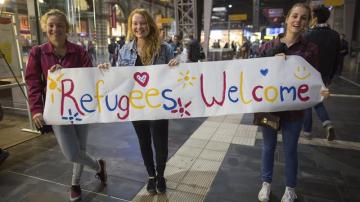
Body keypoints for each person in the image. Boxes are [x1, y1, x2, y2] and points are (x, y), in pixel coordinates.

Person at [25, 9, 107, 202]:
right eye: (51, 25)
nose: (55, 29)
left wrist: (100, 71)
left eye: (60, 25)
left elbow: (89, 75)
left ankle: (75, 184)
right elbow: (33, 83)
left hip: (80, 107)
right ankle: (98, 166)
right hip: (57, 110)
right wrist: (36, 109)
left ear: (66, 28)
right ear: (45, 27)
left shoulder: (78, 51)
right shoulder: (38, 53)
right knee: (72, 154)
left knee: (81, 148)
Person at [98, 8, 178, 194]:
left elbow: (175, 77)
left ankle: (160, 175)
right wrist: (106, 69)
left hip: (158, 103)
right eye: (135, 23)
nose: (139, 27)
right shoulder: (125, 49)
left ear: (149, 24)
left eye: (142, 23)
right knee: (143, 141)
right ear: (130, 26)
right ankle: (151, 176)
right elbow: (119, 76)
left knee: (160, 144)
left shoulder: (164, 48)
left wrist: (176, 64)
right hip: (136, 105)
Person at [254, 3, 329, 202]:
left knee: (290, 150)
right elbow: (254, 72)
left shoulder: (311, 49)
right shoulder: (268, 46)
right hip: (269, 108)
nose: (298, 20)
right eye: (295, 16)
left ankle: (290, 188)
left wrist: (320, 90)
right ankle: (266, 184)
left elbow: (314, 78)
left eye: (303, 18)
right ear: (287, 18)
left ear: (307, 22)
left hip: (294, 111)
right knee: (268, 147)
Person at [302, 5, 340, 141]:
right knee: (317, 99)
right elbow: (337, 58)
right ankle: (327, 123)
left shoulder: (308, 35)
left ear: (315, 18)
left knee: (307, 100)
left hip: (309, 73)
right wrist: (331, 76)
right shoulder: (335, 36)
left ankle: (307, 131)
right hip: (325, 74)